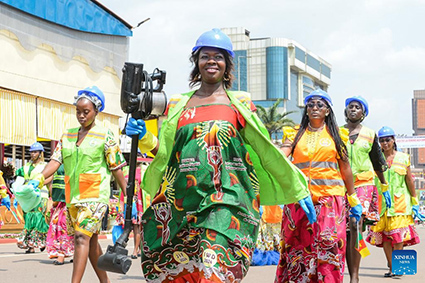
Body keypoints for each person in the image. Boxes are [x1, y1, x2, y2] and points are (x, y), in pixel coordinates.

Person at [125, 28, 316, 282]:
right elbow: (167, 154)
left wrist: (296, 185)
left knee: (214, 268)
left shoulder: (239, 103)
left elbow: (266, 150)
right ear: (197, 62)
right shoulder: (178, 104)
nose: (211, 61)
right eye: (205, 56)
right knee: (183, 273)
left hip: (227, 199)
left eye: (219, 57)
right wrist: (144, 137)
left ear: (227, 65)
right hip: (183, 201)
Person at [30, 86, 127, 283]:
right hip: (73, 197)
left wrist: (128, 194)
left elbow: (116, 167)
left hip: (95, 196)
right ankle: (105, 282)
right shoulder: (67, 135)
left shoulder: (105, 135)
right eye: (78, 111)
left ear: (96, 111)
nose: (81, 116)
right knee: (90, 244)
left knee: (81, 237)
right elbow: (55, 162)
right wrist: (38, 179)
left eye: (86, 112)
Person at [276, 89, 363, 282]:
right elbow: (283, 153)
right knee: (296, 247)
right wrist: (272, 155)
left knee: (328, 246)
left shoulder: (337, 134)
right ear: (306, 110)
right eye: (311, 104)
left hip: (330, 201)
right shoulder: (294, 134)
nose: (315, 108)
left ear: (327, 110)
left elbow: (345, 167)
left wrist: (353, 196)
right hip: (298, 200)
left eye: (320, 104)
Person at [341, 96, 388, 283]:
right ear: (345, 111)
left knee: (355, 224)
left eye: (357, 107)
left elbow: (377, 162)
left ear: (363, 113)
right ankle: (352, 271)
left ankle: (354, 276)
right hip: (342, 184)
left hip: (363, 183)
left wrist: (384, 186)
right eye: (350, 107)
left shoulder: (370, 133)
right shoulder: (337, 132)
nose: (353, 109)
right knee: (346, 231)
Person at [366, 126, 423, 277]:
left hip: (400, 204)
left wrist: (414, 200)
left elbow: (409, 180)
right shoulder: (375, 160)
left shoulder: (404, 158)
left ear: (394, 140)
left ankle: (400, 269)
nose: (385, 143)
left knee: (398, 237)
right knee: (385, 237)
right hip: (381, 204)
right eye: (382, 140)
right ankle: (391, 267)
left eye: (388, 140)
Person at [16, 142, 52, 253]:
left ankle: (38, 243)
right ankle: (34, 244)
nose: (33, 154)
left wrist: (50, 195)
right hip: (28, 196)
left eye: (35, 152)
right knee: (28, 218)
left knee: (38, 218)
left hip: (41, 195)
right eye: (31, 152)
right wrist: (17, 193)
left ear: (41, 153)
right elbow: (19, 180)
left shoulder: (46, 166)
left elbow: (49, 179)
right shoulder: (25, 167)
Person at [46, 164, 74, 265]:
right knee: (57, 227)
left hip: (71, 201)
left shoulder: (74, 159)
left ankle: (62, 254)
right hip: (59, 202)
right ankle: (63, 252)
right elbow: (50, 180)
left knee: (65, 227)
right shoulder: (56, 164)